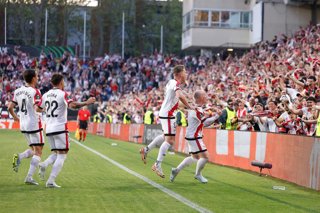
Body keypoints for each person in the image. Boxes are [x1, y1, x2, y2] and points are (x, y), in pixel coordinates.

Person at [37, 73, 95, 188]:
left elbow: (38, 108)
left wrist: (48, 110)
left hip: (48, 128)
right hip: (60, 128)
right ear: (61, 82)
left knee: (57, 153)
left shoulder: (46, 95)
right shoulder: (62, 94)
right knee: (62, 155)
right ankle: (51, 181)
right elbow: (73, 105)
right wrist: (86, 103)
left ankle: (44, 164)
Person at [140, 65, 193, 178]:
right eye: (185, 72)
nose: (186, 74)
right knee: (170, 141)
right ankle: (157, 164)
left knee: (165, 137)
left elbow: (174, 101)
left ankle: (146, 149)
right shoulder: (175, 84)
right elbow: (179, 96)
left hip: (165, 113)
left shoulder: (171, 83)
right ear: (179, 74)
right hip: (168, 115)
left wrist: (185, 106)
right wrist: (189, 107)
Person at [170, 90, 219, 183]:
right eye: (204, 95)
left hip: (192, 136)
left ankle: (176, 170)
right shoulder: (197, 109)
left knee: (195, 157)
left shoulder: (196, 108)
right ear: (200, 98)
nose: (206, 97)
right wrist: (216, 116)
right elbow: (205, 122)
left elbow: (202, 123)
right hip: (194, 137)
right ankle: (198, 175)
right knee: (205, 157)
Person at [8, 69, 44, 185]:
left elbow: (10, 107)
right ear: (33, 78)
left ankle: (19, 156)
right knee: (39, 152)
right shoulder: (35, 91)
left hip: (23, 124)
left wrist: (15, 117)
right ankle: (29, 177)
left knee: (34, 150)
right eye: (37, 76)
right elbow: (38, 108)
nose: (38, 78)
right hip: (34, 124)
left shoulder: (17, 91)